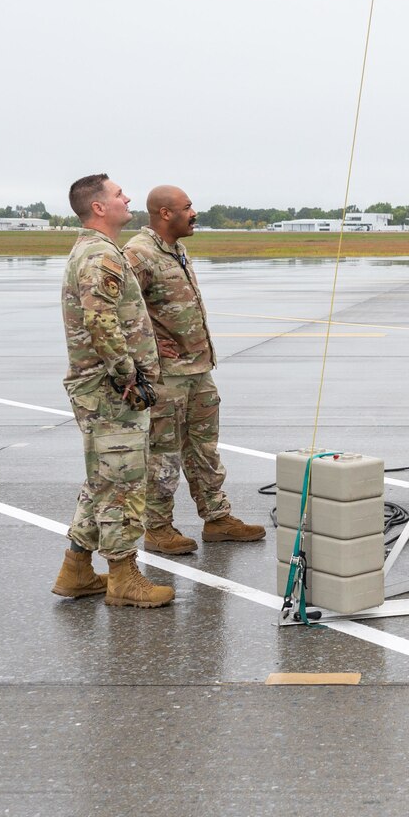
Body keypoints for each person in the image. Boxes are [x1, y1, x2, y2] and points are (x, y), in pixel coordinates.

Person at [52, 173, 176, 608]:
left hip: (103, 386)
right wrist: (130, 379)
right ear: (99, 208)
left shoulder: (99, 251)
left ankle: (76, 569)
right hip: (109, 390)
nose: (127, 198)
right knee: (123, 482)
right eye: (119, 194)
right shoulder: (101, 255)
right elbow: (100, 322)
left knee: (103, 479)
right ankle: (123, 577)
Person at [124, 185, 264, 552]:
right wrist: (149, 347)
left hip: (198, 370)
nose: (194, 213)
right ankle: (157, 528)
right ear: (165, 213)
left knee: (205, 450)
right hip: (166, 376)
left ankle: (217, 518)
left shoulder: (177, 250)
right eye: (187, 208)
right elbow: (121, 312)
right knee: (163, 453)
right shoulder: (139, 255)